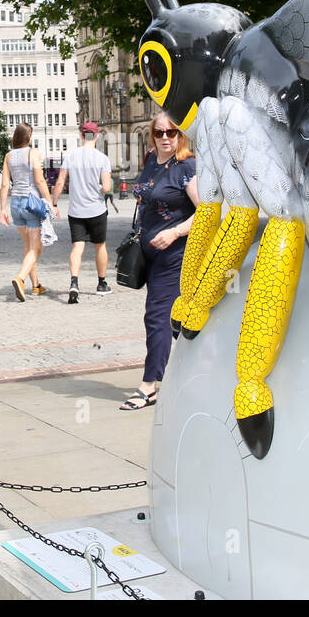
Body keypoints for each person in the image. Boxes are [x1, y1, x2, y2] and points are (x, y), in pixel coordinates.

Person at [122, 112, 198, 411]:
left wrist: (175, 232)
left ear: (181, 135)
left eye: (171, 132)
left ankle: (149, 386)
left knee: (156, 317)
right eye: (159, 132)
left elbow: (207, 211)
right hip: (149, 251)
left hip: (174, 253)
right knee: (174, 320)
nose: (165, 138)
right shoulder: (152, 160)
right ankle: (195, 372)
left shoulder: (187, 167)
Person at [51, 122, 114, 304]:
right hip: (96, 210)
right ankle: (102, 284)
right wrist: (102, 187)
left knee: (77, 247)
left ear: (81, 135)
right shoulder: (102, 158)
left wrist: (54, 203)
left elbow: (60, 182)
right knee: (99, 245)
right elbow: (108, 187)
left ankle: (74, 283)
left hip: (76, 210)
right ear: (97, 136)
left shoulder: (71, 156)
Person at [0, 122, 57, 300]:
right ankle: (20, 278)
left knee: (28, 247)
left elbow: (4, 184)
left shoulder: (8, 156)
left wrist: (2, 209)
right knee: (36, 248)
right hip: (31, 204)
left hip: (15, 204)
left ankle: (36, 286)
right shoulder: (33, 153)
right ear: (28, 137)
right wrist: (51, 203)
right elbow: (40, 181)